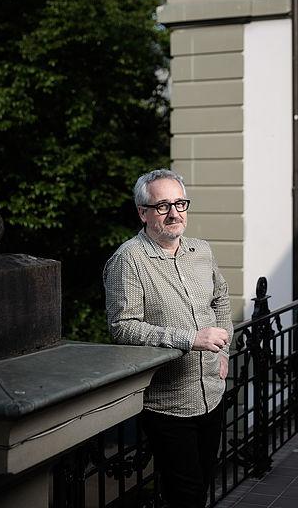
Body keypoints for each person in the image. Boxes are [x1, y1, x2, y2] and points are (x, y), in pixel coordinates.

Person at [103, 168, 233, 508]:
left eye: (180, 203)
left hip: (212, 394)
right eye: (163, 206)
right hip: (168, 403)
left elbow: (221, 297)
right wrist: (189, 339)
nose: (174, 213)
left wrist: (225, 353)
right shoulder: (128, 260)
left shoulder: (200, 251)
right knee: (185, 496)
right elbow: (123, 327)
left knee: (202, 484)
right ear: (143, 213)